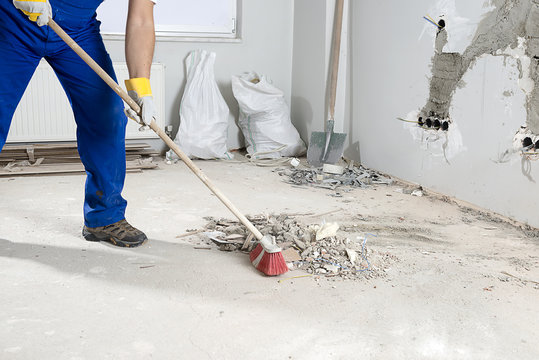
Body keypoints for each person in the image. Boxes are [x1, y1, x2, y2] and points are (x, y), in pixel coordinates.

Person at [0, 0, 157, 248]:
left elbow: (141, 19)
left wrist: (142, 87)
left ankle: (104, 217)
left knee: (107, 114)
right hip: (14, 20)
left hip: (77, 28)